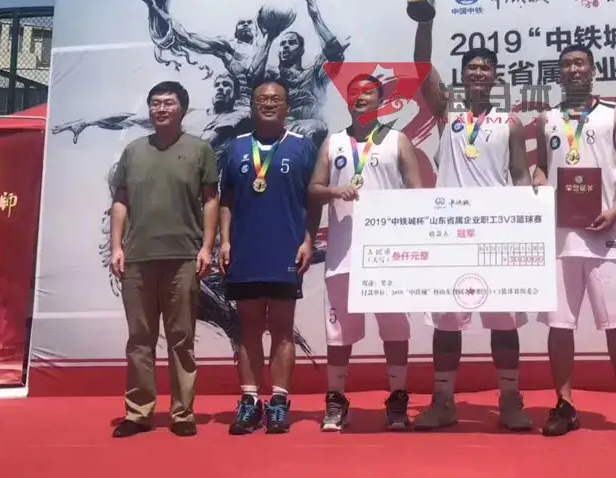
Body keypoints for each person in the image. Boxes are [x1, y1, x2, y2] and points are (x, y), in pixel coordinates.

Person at [411, 2, 533, 431]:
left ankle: (510, 399)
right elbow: (421, 65)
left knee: (504, 323)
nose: (479, 73)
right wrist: (426, 20)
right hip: (450, 234)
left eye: (486, 68)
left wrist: (527, 227)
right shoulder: (447, 111)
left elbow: (520, 176)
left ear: (495, 76)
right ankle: (444, 400)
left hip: (496, 235)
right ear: (463, 76)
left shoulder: (510, 122)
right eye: (473, 68)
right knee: (446, 323)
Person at [532, 45, 616, 438]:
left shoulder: (614, 113)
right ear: (559, 74)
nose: (573, 69)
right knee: (559, 325)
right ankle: (565, 404)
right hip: (561, 238)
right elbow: (540, 167)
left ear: (593, 70)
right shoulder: (547, 118)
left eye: (580, 63)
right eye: (566, 64)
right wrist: (539, 188)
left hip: (606, 234)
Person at [309, 74, 424, 431]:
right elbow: (313, 188)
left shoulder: (397, 140)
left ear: (381, 99)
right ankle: (336, 399)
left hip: (387, 255)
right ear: (347, 100)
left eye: (368, 92)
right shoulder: (333, 142)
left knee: (395, 330)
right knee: (339, 333)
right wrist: (333, 191)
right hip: (343, 254)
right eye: (354, 93)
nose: (360, 98)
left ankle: (398, 397)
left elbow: (418, 193)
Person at [109, 80, 219, 438]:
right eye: (155, 103)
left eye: (168, 103)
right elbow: (121, 201)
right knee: (139, 340)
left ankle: (183, 413)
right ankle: (139, 412)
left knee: (181, 339)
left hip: (183, 257)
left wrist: (207, 247)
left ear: (182, 109)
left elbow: (211, 201)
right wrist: (117, 247)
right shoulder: (134, 151)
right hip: (138, 258)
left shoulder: (200, 149)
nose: (161, 108)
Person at [219, 79, 317, 435]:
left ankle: (278, 401)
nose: (269, 103)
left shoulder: (303, 147)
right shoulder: (236, 148)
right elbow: (226, 200)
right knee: (248, 330)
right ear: (252, 105)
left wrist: (308, 240)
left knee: (282, 329)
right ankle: (249, 401)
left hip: (285, 251)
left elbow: (313, 200)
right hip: (245, 252)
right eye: (262, 98)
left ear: (287, 106)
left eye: (276, 98)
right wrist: (225, 241)